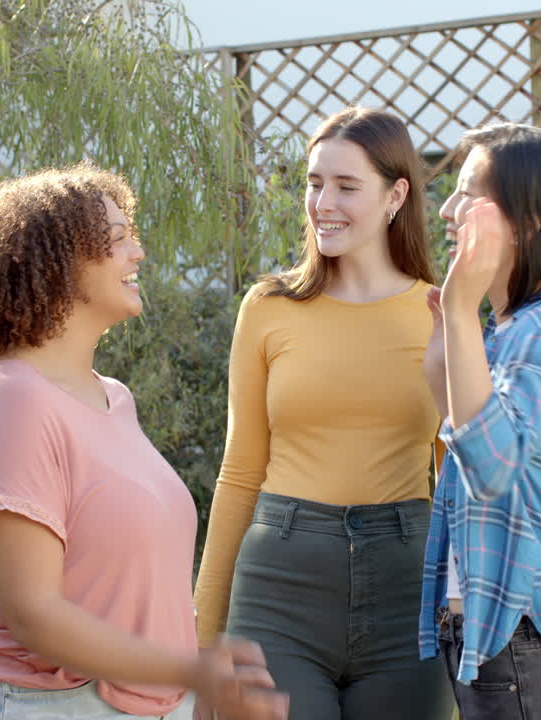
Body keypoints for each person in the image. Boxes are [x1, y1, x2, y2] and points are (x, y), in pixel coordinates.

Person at [0, 164, 289, 720]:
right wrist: (190, 670)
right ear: (56, 263)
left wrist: (195, 690)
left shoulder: (114, 400)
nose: (138, 253)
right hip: (43, 704)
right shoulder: (12, 403)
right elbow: (33, 614)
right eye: (118, 238)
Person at [193, 107, 451, 720]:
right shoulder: (269, 307)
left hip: (407, 590)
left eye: (345, 186)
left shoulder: (441, 312)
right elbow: (238, 472)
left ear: (396, 195)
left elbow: (461, 476)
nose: (321, 203)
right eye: (313, 184)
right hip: (279, 586)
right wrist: (202, 638)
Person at [418, 122, 541, 720]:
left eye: (469, 194)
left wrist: (457, 309)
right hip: (499, 649)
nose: (449, 211)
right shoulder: (506, 333)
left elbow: (493, 466)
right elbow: (466, 444)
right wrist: (447, 343)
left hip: (532, 653)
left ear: (528, 220)